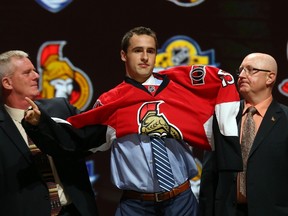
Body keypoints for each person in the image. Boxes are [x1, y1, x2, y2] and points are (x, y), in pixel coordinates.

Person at [22, 26, 240, 216]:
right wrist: (40, 124)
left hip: (181, 201)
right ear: (124, 55)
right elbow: (78, 139)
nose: (145, 57)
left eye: (150, 51)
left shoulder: (179, 90)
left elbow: (219, 95)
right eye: (138, 50)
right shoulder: (112, 102)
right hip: (136, 206)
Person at [0, 50, 99, 216]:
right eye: (27, 72)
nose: (36, 75)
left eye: (34, 70)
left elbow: (90, 139)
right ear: (7, 83)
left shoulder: (61, 108)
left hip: (76, 211)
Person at [198, 52, 288, 216]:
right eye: (240, 70)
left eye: (251, 70)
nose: (241, 76)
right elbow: (209, 176)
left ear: (270, 78)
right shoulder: (222, 115)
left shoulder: (286, 119)